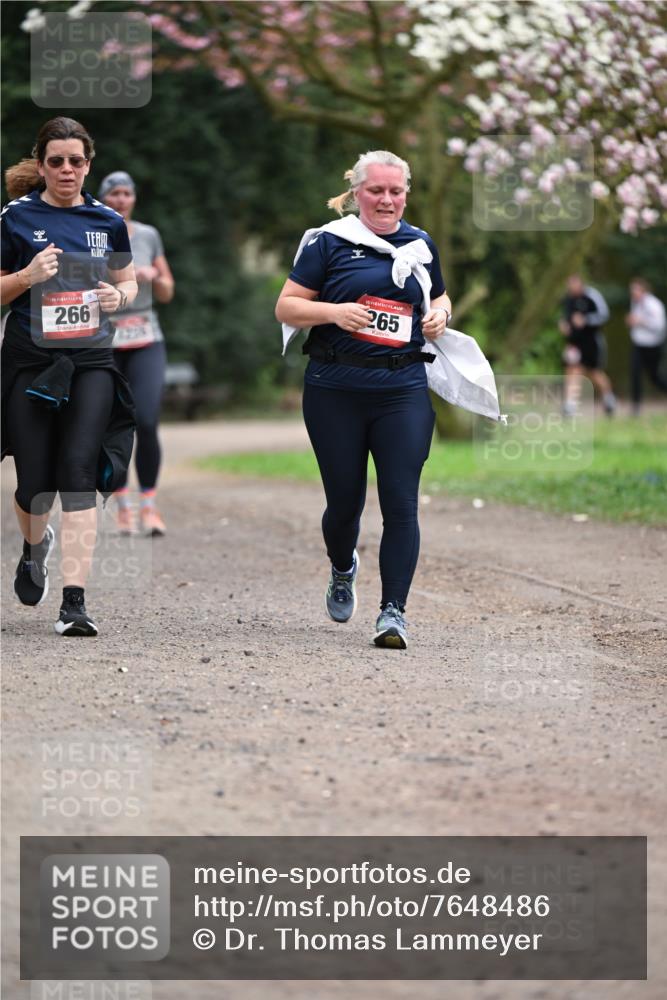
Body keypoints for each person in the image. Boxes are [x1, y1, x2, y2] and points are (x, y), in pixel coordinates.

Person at [275, 150, 452, 650]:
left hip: (402, 389)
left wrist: (440, 314)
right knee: (344, 504)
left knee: (401, 501)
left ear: (406, 195)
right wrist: (334, 312)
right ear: (356, 193)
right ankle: (342, 564)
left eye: (396, 191)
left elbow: (437, 296)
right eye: (377, 190)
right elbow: (286, 305)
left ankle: (393, 612)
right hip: (336, 388)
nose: (387, 200)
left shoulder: (420, 243)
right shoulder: (329, 242)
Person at [1, 117, 137, 636]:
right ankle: (35, 545)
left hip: (90, 362)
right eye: (55, 160)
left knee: (80, 474)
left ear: (88, 164)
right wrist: (26, 277)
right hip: (31, 361)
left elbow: (126, 283)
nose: (65, 169)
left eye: (75, 161)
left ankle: (74, 602)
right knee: (34, 482)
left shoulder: (107, 221)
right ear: (40, 165)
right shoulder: (14, 217)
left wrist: (117, 297)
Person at [99, 171, 175, 535]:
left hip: (146, 337)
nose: (120, 199)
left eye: (126, 193)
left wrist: (153, 276)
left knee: (146, 420)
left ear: (133, 199)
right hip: (105, 339)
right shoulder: (93, 234)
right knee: (113, 425)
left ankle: (149, 506)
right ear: (103, 198)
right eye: (113, 193)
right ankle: (123, 507)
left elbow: (167, 293)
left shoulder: (148, 235)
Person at [559, 274, 616, 415]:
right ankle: (570, 405)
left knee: (595, 374)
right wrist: (564, 325)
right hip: (574, 344)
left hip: (591, 343)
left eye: (573, 284)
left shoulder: (592, 296)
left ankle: (608, 399)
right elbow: (566, 317)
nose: (571, 288)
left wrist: (586, 320)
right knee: (573, 370)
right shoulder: (569, 299)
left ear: (580, 284)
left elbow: (604, 315)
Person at [625, 278, 667, 414]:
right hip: (638, 344)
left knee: (655, 377)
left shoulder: (654, 305)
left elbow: (659, 327)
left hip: (653, 346)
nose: (633, 293)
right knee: (635, 373)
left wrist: (640, 321)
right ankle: (636, 407)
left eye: (635, 290)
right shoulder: (635, 303)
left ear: (643, 290)